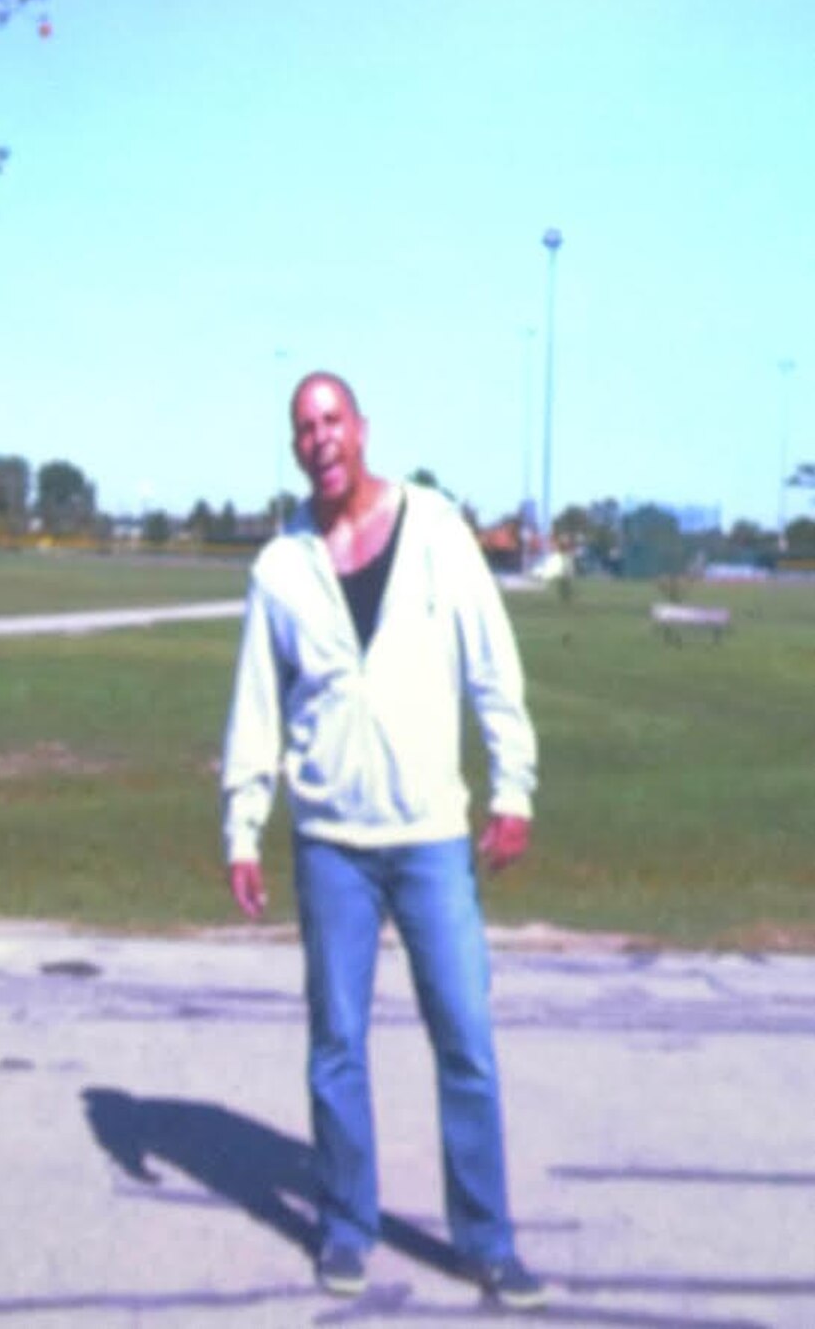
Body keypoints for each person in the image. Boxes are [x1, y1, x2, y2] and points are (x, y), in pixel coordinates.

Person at [218, 371, 546, 1310]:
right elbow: (256, 708)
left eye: (332, 419)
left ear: (361, 429)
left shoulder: (437, 529)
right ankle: (346, 1226)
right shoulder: (280, 567)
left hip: (432, 834)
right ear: (296, 447)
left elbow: (492, 661)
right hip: (330, 842)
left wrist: (511, 784)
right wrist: (243, 825)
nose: (320, 437)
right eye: (303, 427)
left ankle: (486, 1239)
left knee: (468, 1040)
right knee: (337, 1046)